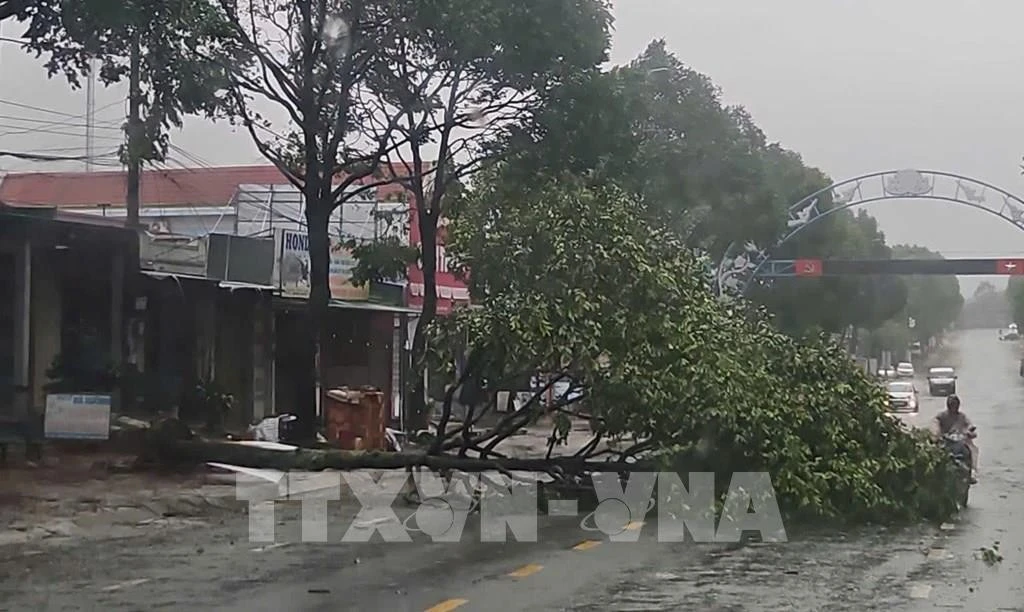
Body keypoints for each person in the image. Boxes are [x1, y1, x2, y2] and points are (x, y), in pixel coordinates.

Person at [930, 395, 978, 483]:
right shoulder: (942, 416)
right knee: (935, 453)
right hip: (945, 441)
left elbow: (969, 424)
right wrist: (936, 433)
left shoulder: (962, 416)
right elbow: (935, 423)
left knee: (972, 450)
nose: (953, 407)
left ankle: (972, 473)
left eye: (955, 405)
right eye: (952, 405)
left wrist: (969, 431)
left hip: (960, 440)